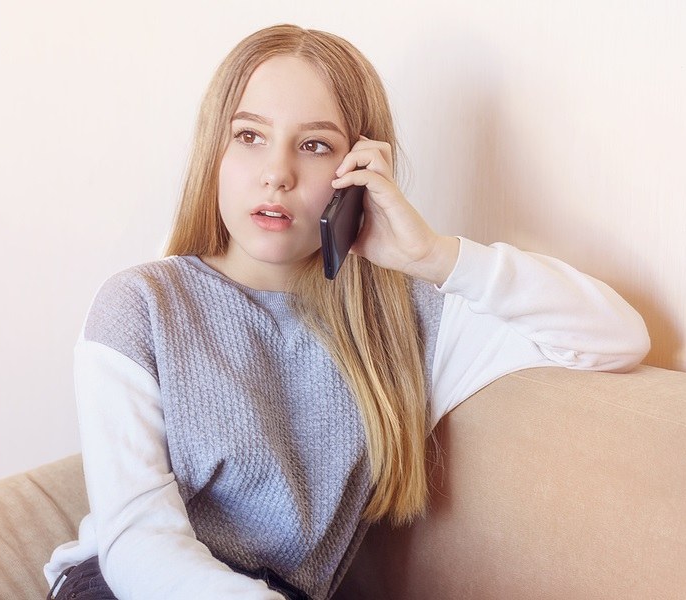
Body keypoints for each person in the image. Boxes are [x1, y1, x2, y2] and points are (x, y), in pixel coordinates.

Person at [44, 23, 650, 600]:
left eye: (313, 146)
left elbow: (617, 337)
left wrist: (435, 256)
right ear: (214, 152)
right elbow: (137, 544)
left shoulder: (403, 322)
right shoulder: (140, 304)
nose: (276, 173)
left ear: (356, 174)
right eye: (249, 136)